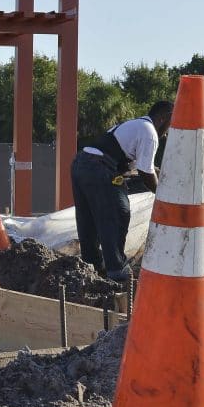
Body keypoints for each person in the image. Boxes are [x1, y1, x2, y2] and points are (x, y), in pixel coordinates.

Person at [71, 101, 174, 284]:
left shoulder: (134, 126)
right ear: (163, 118)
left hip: (81, 165)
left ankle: (91, 265)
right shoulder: (149, 133)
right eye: (169, 125)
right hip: (100, 169)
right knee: (118, 213)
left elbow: (146, 166)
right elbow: (145, 172)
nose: (167, 133)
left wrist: (166, 177)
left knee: (88, 219)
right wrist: (162, 196)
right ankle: (116, 269)